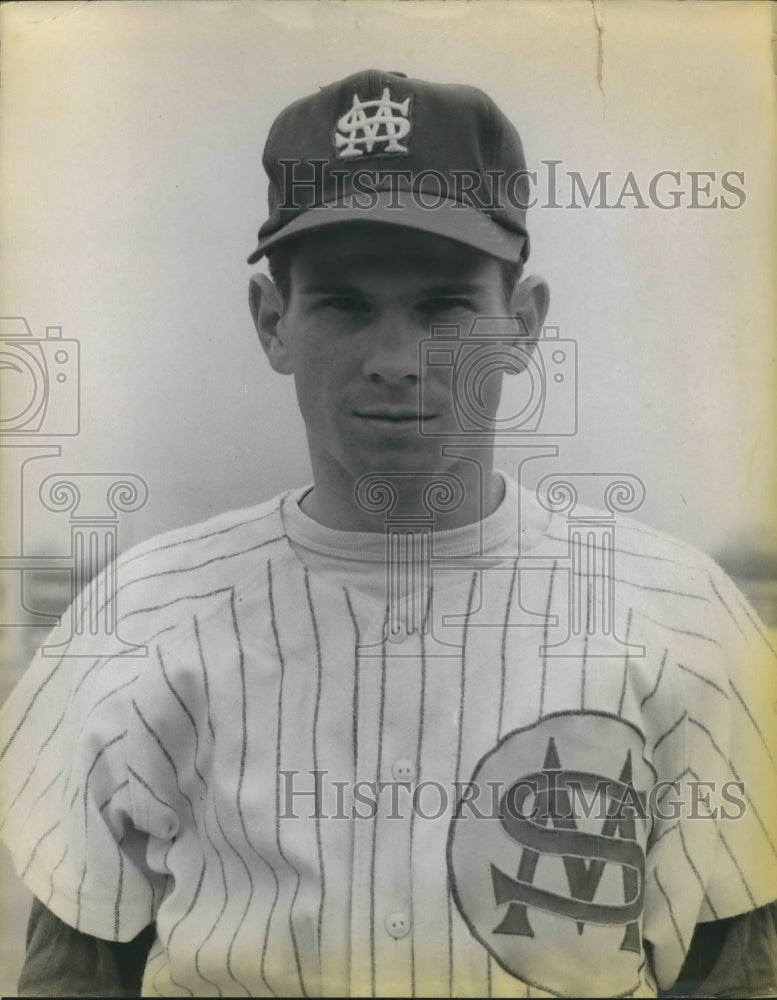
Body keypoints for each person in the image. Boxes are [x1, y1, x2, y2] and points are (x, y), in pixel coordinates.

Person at [1, 68, 776, 998]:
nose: (398, 362)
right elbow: (72, 976)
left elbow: (736, 979)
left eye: (446, 307)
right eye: (344, 304)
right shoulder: (138, 616)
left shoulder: (682, 617)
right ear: (273, 320)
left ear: (520, 325)